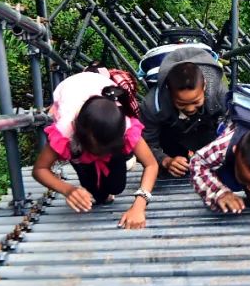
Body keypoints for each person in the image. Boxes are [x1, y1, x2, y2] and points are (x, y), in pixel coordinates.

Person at [32, 69, 158, 229]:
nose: (101, 154)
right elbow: (40, 169)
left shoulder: (123, 127)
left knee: (116, 187)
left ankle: (118, 166)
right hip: (76, 120)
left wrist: (139, 205)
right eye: (97, 151)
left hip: (97, 103)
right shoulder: (67, 132)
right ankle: (95, 178)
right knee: (95, 194)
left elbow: (151, 164)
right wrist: (68, 190)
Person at [139, 46, 226, 177]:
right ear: (168, 91)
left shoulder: (220, 94)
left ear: (205, 86)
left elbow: (232, 130)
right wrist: (165, 160)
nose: (190, 109)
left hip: (208, 130)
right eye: (182, 103)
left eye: (196, 101)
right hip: (172, 135)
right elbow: (144, 144)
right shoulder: (152, 104)